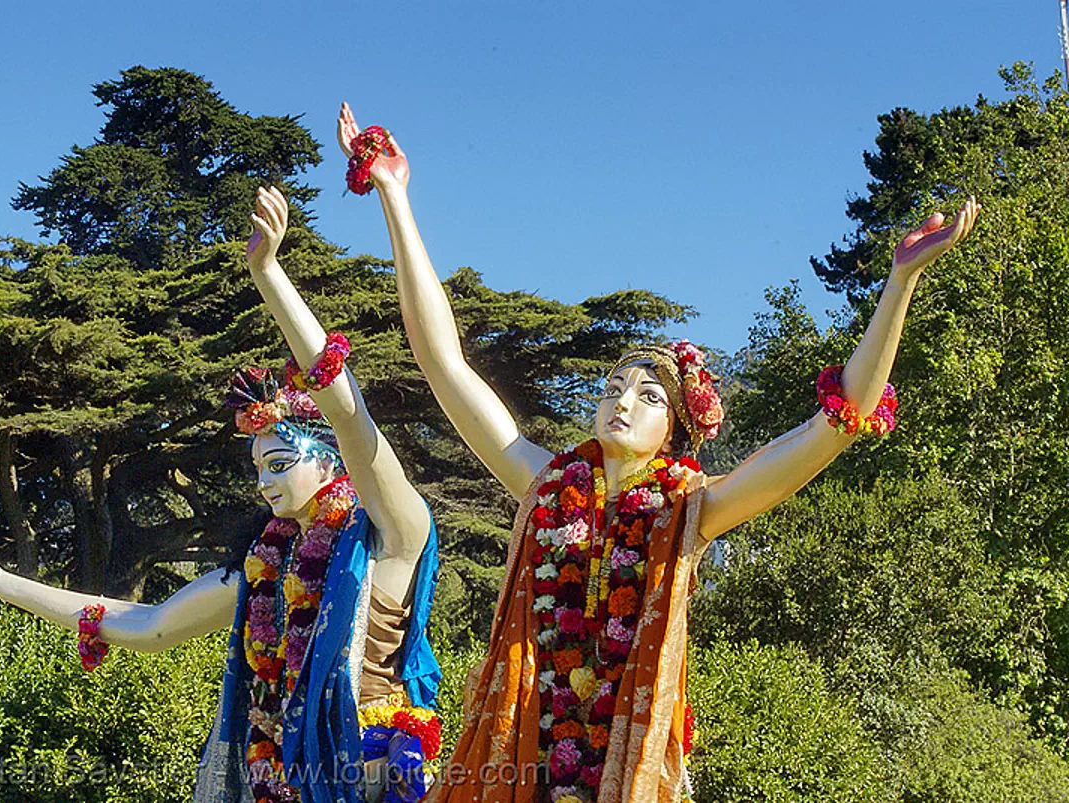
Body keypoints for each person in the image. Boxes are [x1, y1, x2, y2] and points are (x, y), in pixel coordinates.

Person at [335, 102, 979, 803]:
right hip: (521, 767)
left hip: (628, 774)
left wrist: (900, 283)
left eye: (646, 395)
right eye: (613, 386)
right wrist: (396, 197)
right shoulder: (544, 482)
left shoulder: (690, 505)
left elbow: (834, 423)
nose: (620, 400)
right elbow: (443, 362)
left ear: (674, 429)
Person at [0, 185, 442, 803]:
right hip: (275, 780)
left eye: (279, 462)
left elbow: (347, 408)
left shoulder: (393, 534)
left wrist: (269, 275)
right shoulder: (263, 571)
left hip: (369, 772)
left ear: (332, 457)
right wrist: (5, 585)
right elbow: (147, 625)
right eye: (257, 466)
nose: (264, 480)